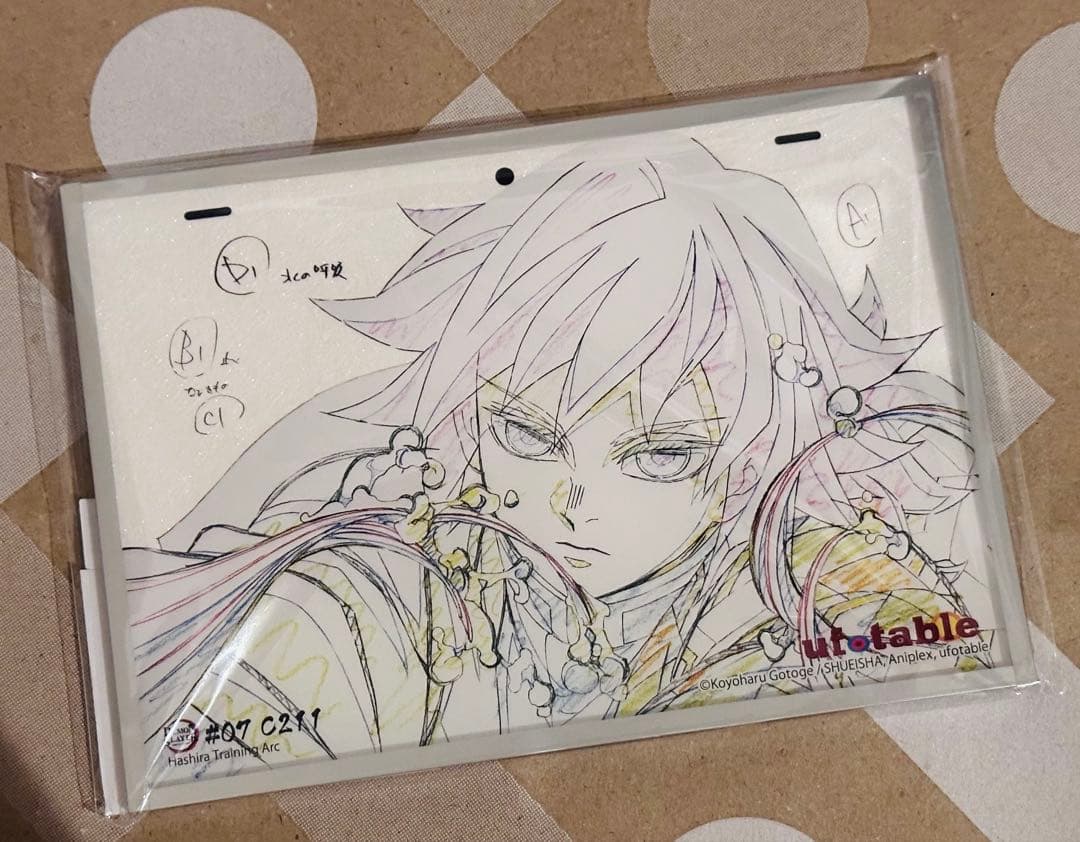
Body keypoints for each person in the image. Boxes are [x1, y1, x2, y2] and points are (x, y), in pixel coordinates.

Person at [127, 137, 983, 784]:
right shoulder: (392, 577)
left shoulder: (826, 585)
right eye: (527, 435)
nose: (574, 501)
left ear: (752, 453)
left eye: (660, 454)